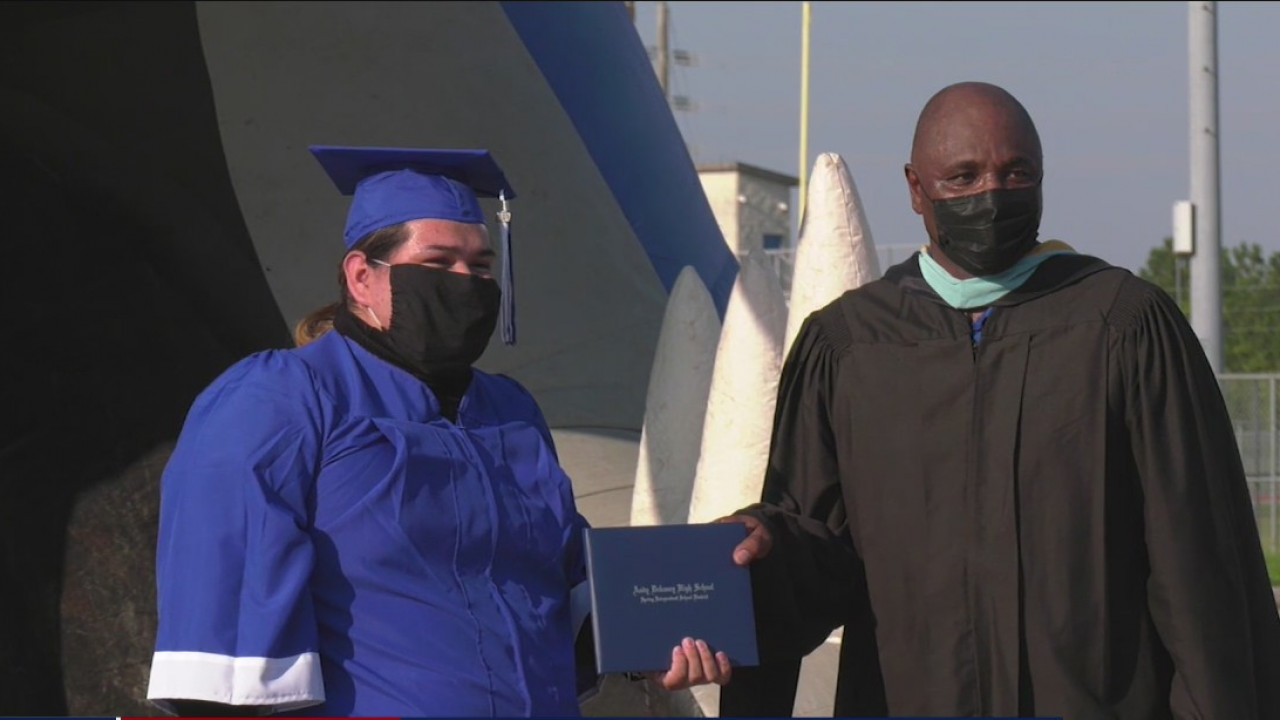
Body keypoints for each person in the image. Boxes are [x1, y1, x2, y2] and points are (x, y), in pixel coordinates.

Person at [717, 82, 1280, 719]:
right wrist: (760, 545)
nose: (992, 195)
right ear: (915, 189)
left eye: (1017, 173)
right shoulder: (850, 348)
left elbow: (1199, 571)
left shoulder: (1122, 327)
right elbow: (817, 556)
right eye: (963, 177)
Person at [145, 146, 730, 717]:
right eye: (437, 262)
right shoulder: (279, 399)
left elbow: (564, 584)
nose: (464, 281)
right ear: (361, 277)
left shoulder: (509, 412)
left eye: (479, 266)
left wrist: (669, 628)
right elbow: (224, 614)